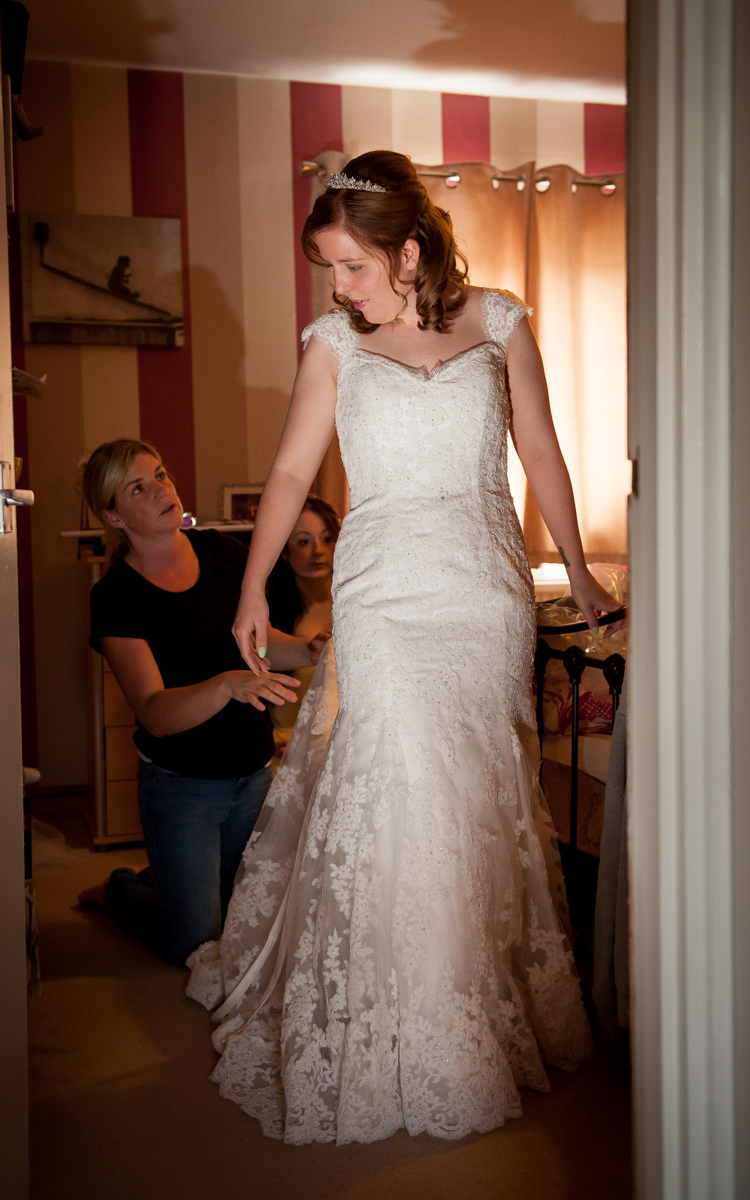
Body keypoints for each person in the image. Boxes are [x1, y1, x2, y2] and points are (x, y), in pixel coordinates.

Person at [186, 151, 622, 1144]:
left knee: (470, 793)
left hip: (480, 590)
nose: (336, 288)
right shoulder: (332, 345)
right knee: (393, 781)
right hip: (382, 594)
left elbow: (541, 450)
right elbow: (293, 466)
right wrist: (252, 583)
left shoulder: (500, 320)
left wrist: (582, 571)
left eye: (348, 266)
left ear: (407, 249)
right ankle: (384, 1014)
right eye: (329, 270)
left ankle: (464, 1002)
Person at [77, 438, 324, 967]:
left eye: (160, 474)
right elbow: (154, 713)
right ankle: (122, 888)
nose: (161, 490)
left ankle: (172, 875)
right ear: (113, 517)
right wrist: (226, 684)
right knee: (193, 943)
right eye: (137, 488)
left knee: (252, 922)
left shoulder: (222, 554)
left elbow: (262, 639)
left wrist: (306, 649)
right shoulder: (115, 595)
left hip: (254, 776)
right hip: (181, 788)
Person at [265, 495, 340, 753]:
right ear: (284, 550)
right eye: (303, 542)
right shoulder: (269, 613)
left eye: (327, 538)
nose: (317, 551)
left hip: (343, 750)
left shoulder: (356, 604)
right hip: (285, 751)